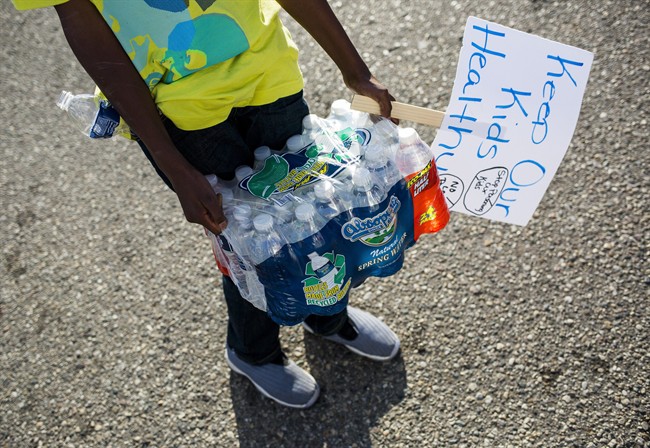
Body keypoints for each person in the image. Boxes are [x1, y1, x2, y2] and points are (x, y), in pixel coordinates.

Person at [12, 0, 401, 409]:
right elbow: (78, 16)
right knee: (250, 242)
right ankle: (254, 351)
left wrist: (356, 71)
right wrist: (172, 163)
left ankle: (326, 316)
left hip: (269, 73)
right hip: (179, 111)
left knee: (312, 209)